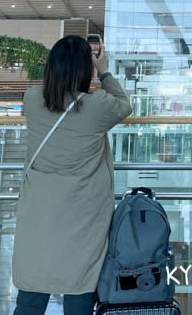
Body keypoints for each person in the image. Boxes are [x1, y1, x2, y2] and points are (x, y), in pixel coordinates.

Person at [12, 36, 132, 315]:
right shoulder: (97, 106)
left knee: (32, 287)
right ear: (84, 70)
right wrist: (104, 70)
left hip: (38, 208)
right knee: (80, 284)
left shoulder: (32, 99)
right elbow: (123, 104)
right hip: (82, 213)